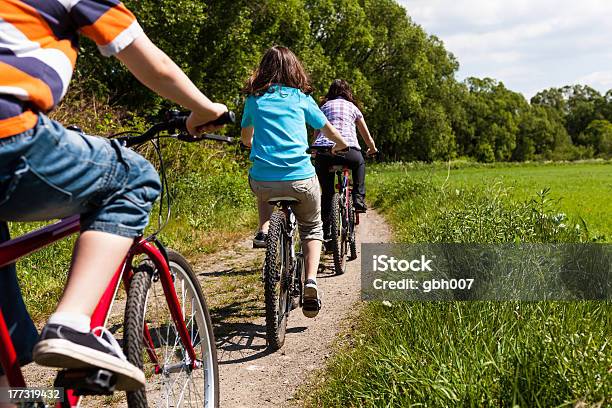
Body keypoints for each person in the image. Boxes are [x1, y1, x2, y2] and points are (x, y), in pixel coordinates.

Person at [0, 1, 227, 392]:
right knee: (133, 178)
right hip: (9, 134)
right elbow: (151, 62)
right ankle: (72, 325)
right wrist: (204, 109)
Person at [241, 46, 348, 317]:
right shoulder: (301, 99)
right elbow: (328, 129)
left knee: (262, 184)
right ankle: (311, 281)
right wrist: (340, 144)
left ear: (263, 69)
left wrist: (254, 144)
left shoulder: (255, 99)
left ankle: (264, 229)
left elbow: (245, 138)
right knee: (312, 227)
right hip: (300, 178)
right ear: (294, 69)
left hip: (265, 180)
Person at [312, 79, 377, 244]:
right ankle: (358, 198)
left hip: (324, 153)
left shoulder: (323, 108)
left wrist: (314, 151)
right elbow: (366, 135)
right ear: (347, 92)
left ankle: (326, 233)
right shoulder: (353, 108)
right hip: (349, 152)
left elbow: (316, 134)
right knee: (360, 162)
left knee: (326, 193)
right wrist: (372, 149)